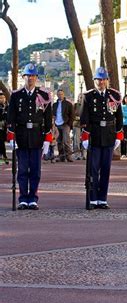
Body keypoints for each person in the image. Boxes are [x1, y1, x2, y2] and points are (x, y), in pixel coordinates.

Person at [6, 63, 53, 210]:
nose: (30, 78)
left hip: (37, 137)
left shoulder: (44, 96)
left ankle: (33, 198)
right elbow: (11, 118)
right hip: (21, 136)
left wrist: (47, 140)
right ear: (23, 77)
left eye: (33, 76)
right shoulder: (16, 95)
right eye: (28, 76)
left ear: (36, 78)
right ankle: (22, 198)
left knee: (35, 171)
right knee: (22, 170)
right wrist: (12, 138)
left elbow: (48, 119)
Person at [80, 67, 123, 209]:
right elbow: (84, 118)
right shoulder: (89, 96)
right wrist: (85, 136)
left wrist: (119, 134)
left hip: (109, 135)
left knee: (106, 169)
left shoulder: (114, 96)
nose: (101, 82)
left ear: (107, 81)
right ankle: (93, 198)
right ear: (94, 80)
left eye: (103, 79)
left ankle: (102, 198)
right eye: (98, 79)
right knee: (93, 169)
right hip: (95, 135)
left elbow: (119, 117)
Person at [52, 89, 74, 162]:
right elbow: (53, 114)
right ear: (57, 95)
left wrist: (69, 124)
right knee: (59, 141)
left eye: (61, 94)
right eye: (58, 94)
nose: (60, 95)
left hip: (65, 124)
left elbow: (72, 115)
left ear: (63, 95)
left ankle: (69, 156)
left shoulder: (68, 104)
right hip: (57, 124)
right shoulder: (54, 105)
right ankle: (61, 156)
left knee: (66, 141)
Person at [72, 95, 86, 160]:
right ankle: (76, 154)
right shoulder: (75, 105)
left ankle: (84, 154)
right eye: (80, 97)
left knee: (85, 140)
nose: (81, 99)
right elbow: (72, 114)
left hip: (84, 125)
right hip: (76, 124)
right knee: (76, 140)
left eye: (82, 97)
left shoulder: (87, 105)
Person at [0, 91, 8, 164]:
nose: (2, 99)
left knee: (2, 142)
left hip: (4, 128)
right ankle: (4, 156)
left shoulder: (7, 106)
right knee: (1, 142)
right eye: (1, 98)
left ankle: (4, 156)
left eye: (3, 98)